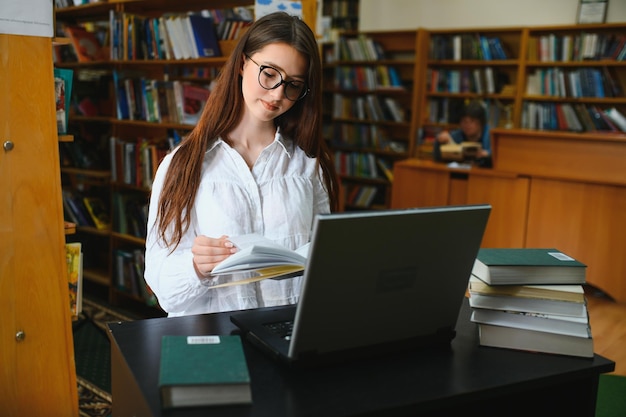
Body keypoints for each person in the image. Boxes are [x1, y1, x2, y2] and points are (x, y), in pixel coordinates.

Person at [144, 12, 339, 317]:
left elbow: (326, 268)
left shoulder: (308, 166)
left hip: (287, 333)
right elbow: (162, 290)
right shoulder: (183, 164)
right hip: (215, 338)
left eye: (293, 85)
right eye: (269, 73)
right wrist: (195, 266)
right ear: (242, 63)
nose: (277, 94)